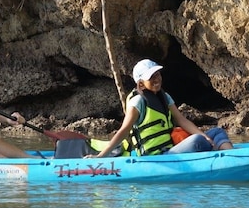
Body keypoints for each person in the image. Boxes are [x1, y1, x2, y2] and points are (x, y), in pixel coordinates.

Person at [89, 59, 233, 158]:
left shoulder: (164, 97)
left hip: (170, 149)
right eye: (151, 77)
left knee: (216, 131)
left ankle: (231, 157)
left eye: (157, 74)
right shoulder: (138, 102)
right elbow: (123, 130)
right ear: (141, 84)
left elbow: (182, 120)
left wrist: (204, 135)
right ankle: (221, 155)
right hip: (156, 157)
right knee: (197, 141)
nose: (156, 79)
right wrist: (102, 155)